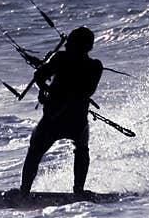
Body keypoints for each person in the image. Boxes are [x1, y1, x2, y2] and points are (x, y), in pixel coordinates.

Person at [14, 26, 103, 198]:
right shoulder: (95, 66)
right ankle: (78, 191)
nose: (67, 45)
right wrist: (49, 90)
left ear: (74, 45)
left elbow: (39, 75)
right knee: (82, 149)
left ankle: (24, 192)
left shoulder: (61, 58)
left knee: (35, 151)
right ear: (90, 47)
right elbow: (87, 92)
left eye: (69, 42)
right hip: (77, 118)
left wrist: (47, 90)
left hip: (54, 118)